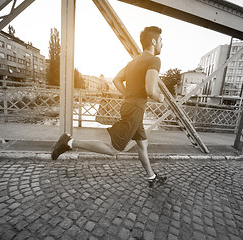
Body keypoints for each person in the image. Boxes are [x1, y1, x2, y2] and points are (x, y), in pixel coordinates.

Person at [51, 26, 167, 188]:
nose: (163, 44)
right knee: (113, 149)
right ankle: (69, 142)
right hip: (135, 110)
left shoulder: (133, 62)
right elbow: (151, 90)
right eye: (161, 40)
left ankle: (151, 177)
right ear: (154, 41)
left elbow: (117, 80)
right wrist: (160, 97)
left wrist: (129, 95)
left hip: (132, 107)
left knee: (142, 144)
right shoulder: (154, 60)